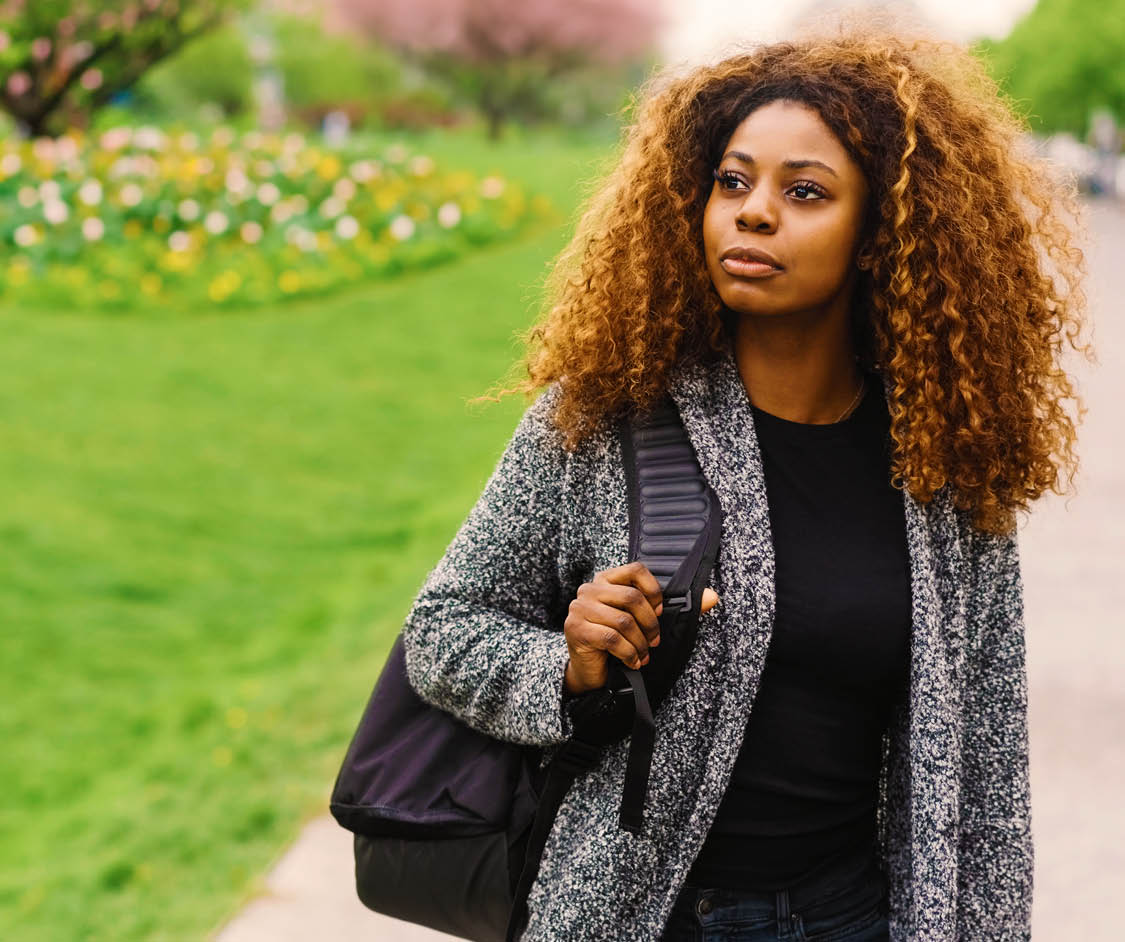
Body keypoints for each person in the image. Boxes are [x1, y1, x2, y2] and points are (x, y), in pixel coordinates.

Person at [399, 21, 1090, 942]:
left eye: (803, 191)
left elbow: (987, 767)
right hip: (634, 918)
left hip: (854, 917)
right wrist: (566, 666)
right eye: (732, 181)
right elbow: (442, 629)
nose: (753, 212)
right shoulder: (607, 416)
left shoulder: (942, 460)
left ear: (883, 230)